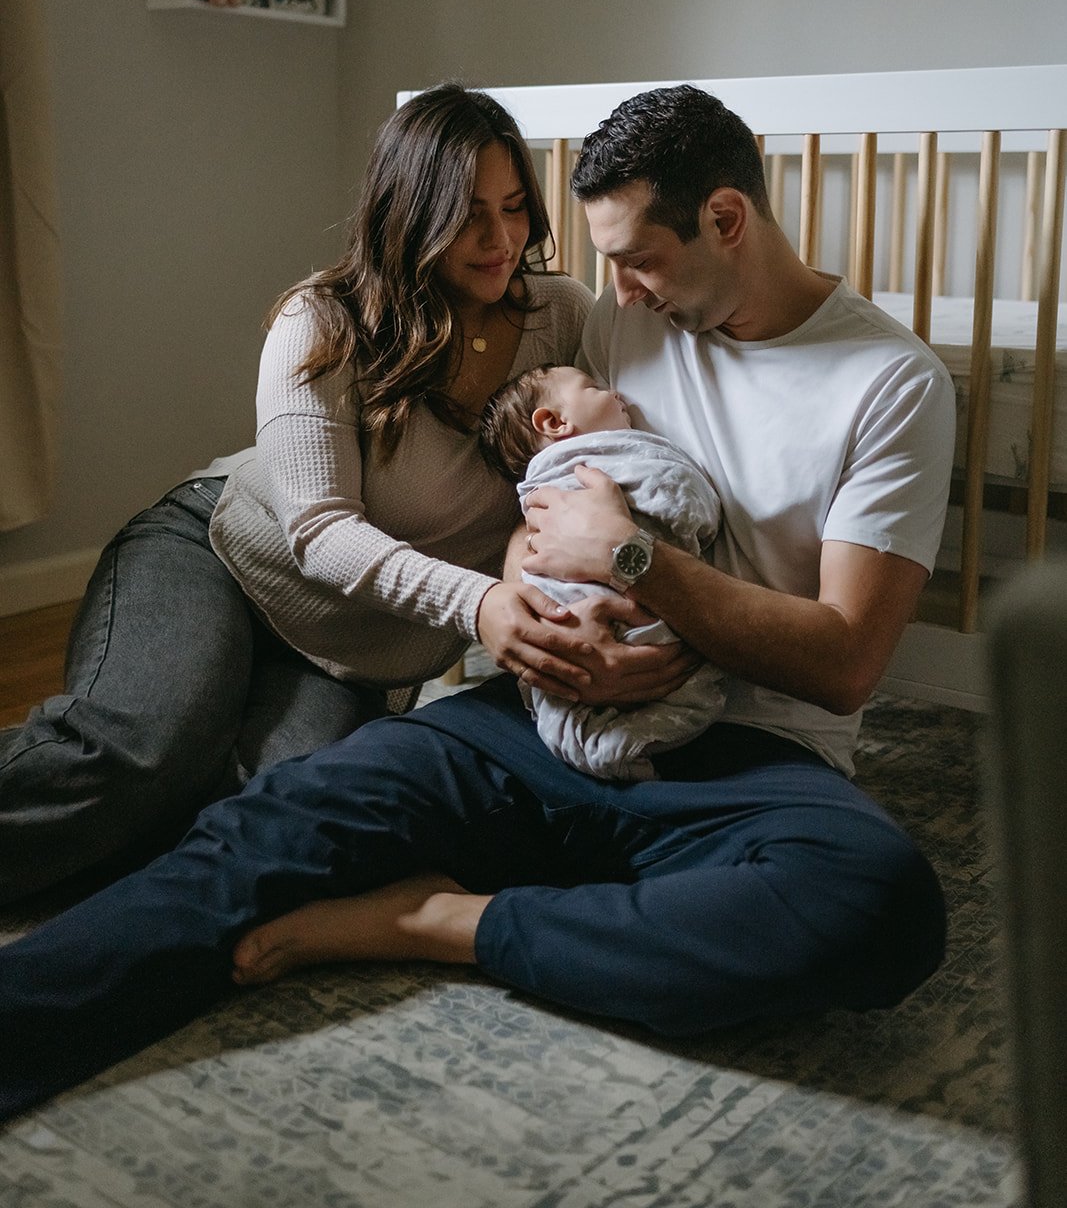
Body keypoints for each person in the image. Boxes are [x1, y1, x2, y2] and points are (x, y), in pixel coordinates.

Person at [0, 84, 957, 1121]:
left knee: (878, 904)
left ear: (725, 220)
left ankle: (439, 924)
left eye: (637, 258)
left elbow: (844, 659)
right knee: (269, 823)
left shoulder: (887, 382)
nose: (618, 291)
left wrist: (637, 567)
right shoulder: (618, 325)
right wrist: (533, 605)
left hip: (748, 757)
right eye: (604, 262)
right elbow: (533, 497)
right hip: (525, 713)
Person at [0, 85, 682, 906]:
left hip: (352, 648)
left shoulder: (564, 316)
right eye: (469, 215)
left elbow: (626, 437)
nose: (501, 240)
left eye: (513, 208)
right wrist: (482, 606)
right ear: (411, 210)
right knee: (137, 755)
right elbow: (319, 531)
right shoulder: (322, 319)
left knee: (273, 817)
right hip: (218, 557)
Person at [479, 363, 725, 779]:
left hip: (571, 632)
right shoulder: (602, 459)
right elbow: (679, 498)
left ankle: (588, 741)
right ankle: (621, 746)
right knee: (694, 686)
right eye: (594, 387)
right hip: (604, 614)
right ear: (555, 422)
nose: (616, 393)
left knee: (561, 704)